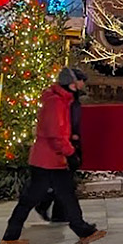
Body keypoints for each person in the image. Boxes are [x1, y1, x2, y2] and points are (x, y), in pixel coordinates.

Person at [0, 69, 106, 244]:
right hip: (49, 160)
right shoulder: (56, 103)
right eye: (78, 83)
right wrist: (70, 153)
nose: (81, 86)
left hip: (49, 160)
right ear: (72, 84)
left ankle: (83, 231)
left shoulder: (61, 100)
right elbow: (56, 135)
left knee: (60, 196)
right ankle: (10, 237)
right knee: (47, 197)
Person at [35, 69, 87, 223]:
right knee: (64, 183)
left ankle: (54, 210)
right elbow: (61, 124)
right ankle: (76, 224)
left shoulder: (70, 98)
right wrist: (71, 141)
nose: (82, 84)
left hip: (67, 142)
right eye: (81, 80)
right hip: (64, 143)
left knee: (62, 183)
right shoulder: (62, 100)